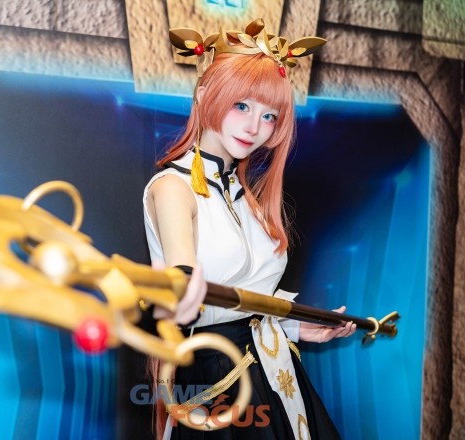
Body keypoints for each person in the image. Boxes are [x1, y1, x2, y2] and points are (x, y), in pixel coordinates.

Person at [143, 19, 356, 440]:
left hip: (278, 373)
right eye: (241, 105)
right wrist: (170, 306)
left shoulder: (245, 196)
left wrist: (294, 326)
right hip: (218, 381)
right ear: (204, 93)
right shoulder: (172, 188)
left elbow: (247, 297)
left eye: (269, 115)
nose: (254, 127)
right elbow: (181, 290)